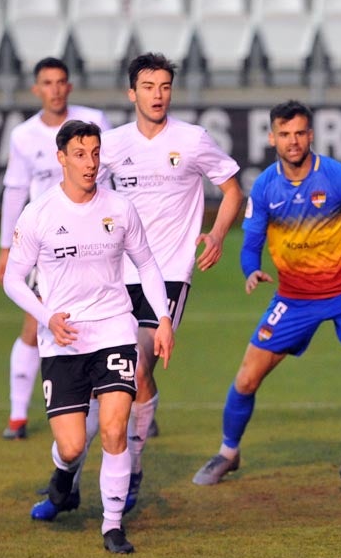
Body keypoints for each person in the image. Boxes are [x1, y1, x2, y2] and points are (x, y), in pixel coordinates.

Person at [28, 52, 245, 520]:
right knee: (92, 392)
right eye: (148, 86)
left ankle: (133, 471)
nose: (158, 94)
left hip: (165, 273)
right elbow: (79, 196)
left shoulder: (193, 140)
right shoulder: (112, 144)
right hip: (106, 277)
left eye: (165, 86)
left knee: (140, 367)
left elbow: (231, 188)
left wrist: (217, 234)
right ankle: (66, 480)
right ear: (132, 93)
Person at [191, 100, 341, 487]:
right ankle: (228, 451)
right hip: (293, 299)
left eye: (300, 133)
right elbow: (250, 243)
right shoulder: (264, 187)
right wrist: (250, 269)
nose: (293, 141)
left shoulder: (337, 177)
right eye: (285, 134)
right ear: (272, 137)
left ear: (310, 135)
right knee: (246, 379)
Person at [3, 120, 174, 554]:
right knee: (73, 444)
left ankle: (112, 526)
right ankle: (64, 481)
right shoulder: (39, 213)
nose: (91, 162)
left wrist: (164, 318)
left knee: (115, 429)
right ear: (61, 157)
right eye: (80, 154)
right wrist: (47, 317)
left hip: (115, 329)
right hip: (63, 339)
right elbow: (14, 280)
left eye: (95, 153)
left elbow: (148, 265)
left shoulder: (120, 207)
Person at [0, 57, 111, 440]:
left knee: (110, 318)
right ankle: (17, 415)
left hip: (95, 237)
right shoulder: (24, 136)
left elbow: (112, 182)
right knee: (36, 321)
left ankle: (130, 398)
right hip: (46, 244)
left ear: (69, 86)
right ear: (36, 89)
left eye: (61, 81)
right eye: (47, 82)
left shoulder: (93, 122)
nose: (55, 89)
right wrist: (5, 248)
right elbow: (15, 191)